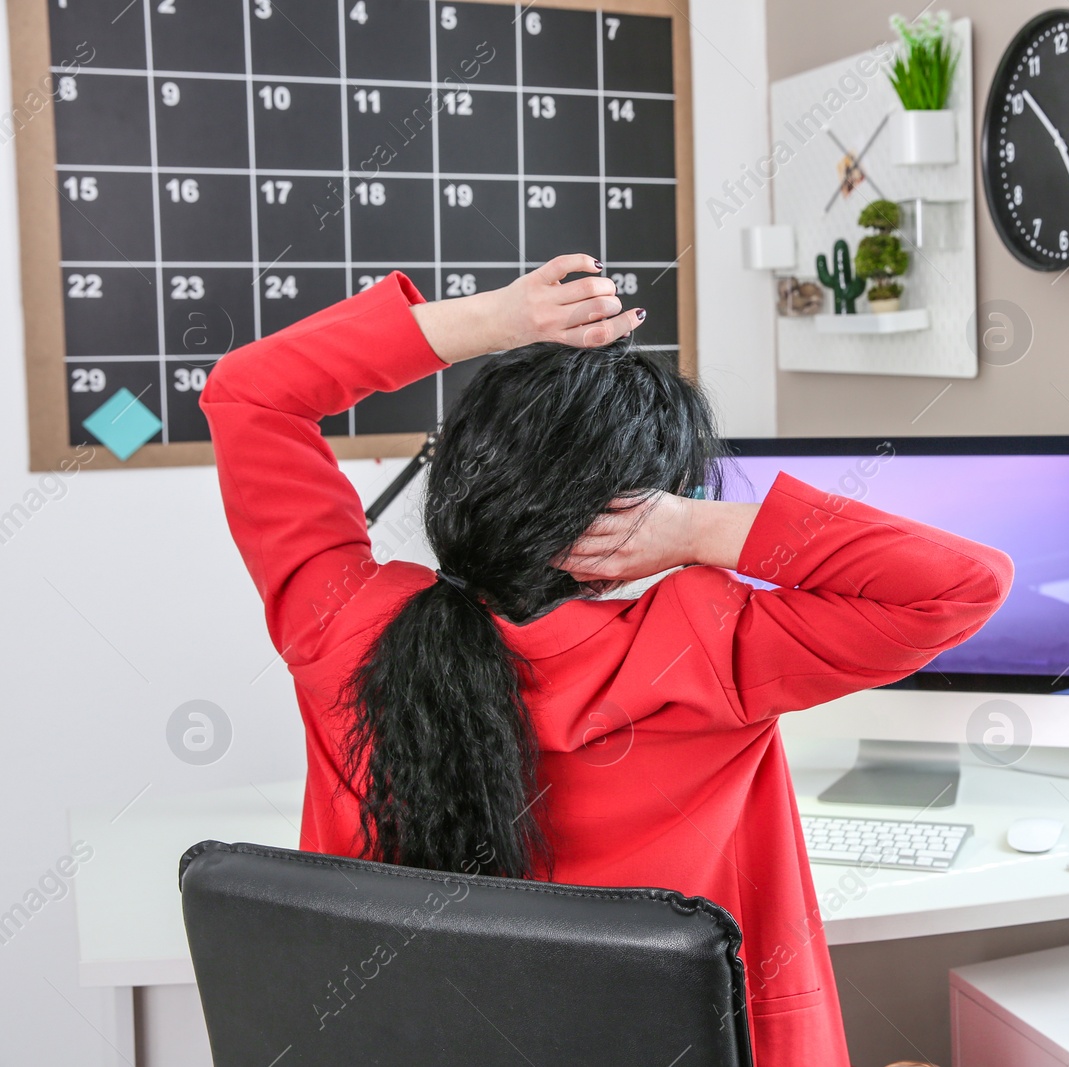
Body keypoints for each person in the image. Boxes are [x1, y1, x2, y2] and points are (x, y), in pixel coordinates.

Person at [201, 255, 1014, 1066]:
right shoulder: (706, 645)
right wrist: (697, 529)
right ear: (632, 516)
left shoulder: (345, 630)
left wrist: (501, 319)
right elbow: (961, 586)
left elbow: (251, 394)